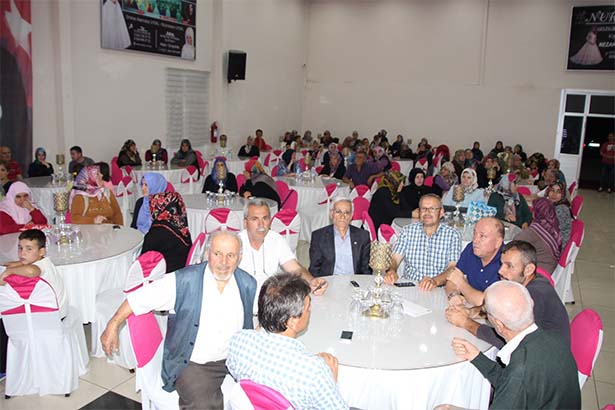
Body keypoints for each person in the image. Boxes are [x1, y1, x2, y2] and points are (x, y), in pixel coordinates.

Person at [101, 231, 257, 410]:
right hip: (194, 363)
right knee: (204, 405)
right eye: (217, 254)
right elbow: (140, 298)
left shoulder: (247, 283)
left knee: (267, 389)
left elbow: (262, 316)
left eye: (231, 255)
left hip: (234, 359)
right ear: (207, 254)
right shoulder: (184, 281)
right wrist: (113, 324)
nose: (224, 262)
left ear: (239, 257)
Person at [445, 281, 580, 409]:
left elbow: (515, 381)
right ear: (531, 304)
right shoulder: (553, 338)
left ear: (498, 324)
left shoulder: (520, 368)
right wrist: (477, 357)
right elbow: (510, 383)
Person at [227, 273, 348, 410]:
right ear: (292, 321)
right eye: (308, 307)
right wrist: (331, 380)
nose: (310, 309)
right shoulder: (314, 371)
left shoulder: (238, 341)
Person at [446, 240, 570, 350]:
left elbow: (509, 341)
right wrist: (469, 312)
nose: (500, 271)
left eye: (509, 266)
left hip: (544, 360)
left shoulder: (533, 295)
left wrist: (465, 322)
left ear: (528, 269)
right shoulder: (529, 283)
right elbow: (499, 310)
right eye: (501, 264)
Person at [238, 198, 327, 294]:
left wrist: (311, 281)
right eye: (255, 219)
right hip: (244, 295)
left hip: (271, 295)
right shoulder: (236, 243)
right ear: (245, 223)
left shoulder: (276, 239)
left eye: (265, 218)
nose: (261, 224)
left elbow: (295, 269)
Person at [384, 194, 461, 289]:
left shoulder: (452, 235)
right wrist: (391, 270)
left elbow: (452, 268)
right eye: (423, 209)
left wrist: (434, 281)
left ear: (441, 212)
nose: (427, 212)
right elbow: (395, 259)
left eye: (432, 209)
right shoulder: (408, 231)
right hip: (409, 286)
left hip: (437, 288)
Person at [1, 229, 67, 318]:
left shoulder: (42, 265)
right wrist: (18, 264)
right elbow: (8, 264)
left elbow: (32, 271)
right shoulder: (40, 260)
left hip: (53, 317)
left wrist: (8, 272)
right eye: (20, 248)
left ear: (42, 252)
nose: (22, 253)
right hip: (52, 313)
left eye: (29, 249)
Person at [443, 217, 504, 306]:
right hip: (468, 306)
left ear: (498, 242)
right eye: (474, 233)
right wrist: (453, 295)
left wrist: (461, 283)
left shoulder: (506, 262)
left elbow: (486, 303)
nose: (475, 240)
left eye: (482, 236)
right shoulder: (471, 249)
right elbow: (453, 279)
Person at [309, 197, 371, 277]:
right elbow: (314, 269)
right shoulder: (319, 236)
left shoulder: (363, 236)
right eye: (338, 212)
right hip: (329, 281)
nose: (342, 216)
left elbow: (365, 269)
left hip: (354, 281)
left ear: (351, 215)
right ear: (331, 214)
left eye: (346, 212)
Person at [140, 192, 192, 273]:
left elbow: (142, 260)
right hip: (181, 267)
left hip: (166, 274)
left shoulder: (157, 231)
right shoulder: (181, 225)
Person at [513, 198, 561, 274]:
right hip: (551, 266)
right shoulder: (552, 225)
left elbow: (515, 242)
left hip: (540, 271)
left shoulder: (535, 229)